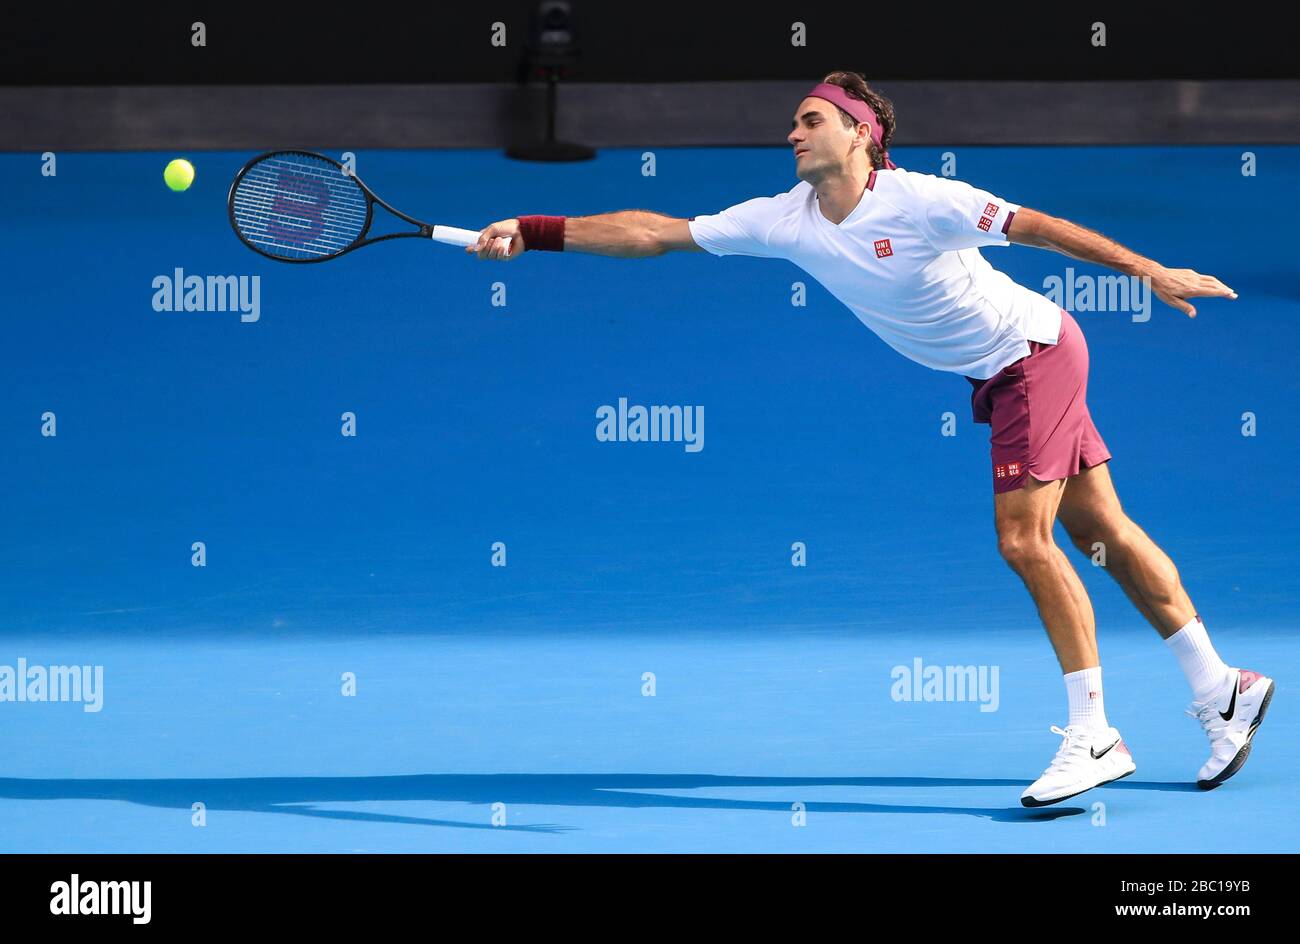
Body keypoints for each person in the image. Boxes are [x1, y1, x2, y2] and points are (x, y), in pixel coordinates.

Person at [468, 70, 1274, 807]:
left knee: (1024, 543)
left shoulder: (925, 200)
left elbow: (1042, 228)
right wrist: (535, 230)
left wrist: (1150, 271)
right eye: (792, 122)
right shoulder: (785, 219)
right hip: (1006, 369)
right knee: (1102, 532)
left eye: (810, 120)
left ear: (860, 134)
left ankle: (1095, 733)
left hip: (1032, 355)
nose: (792, 133)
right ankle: (1221, 688)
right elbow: (654, 232)